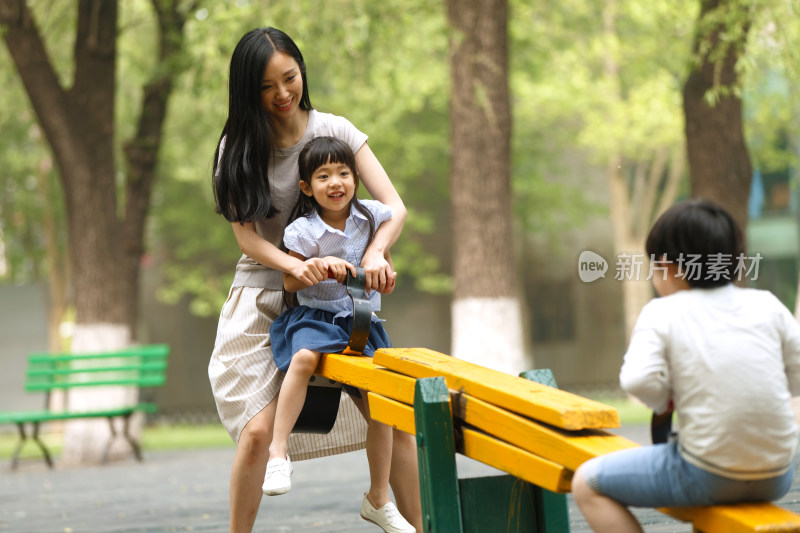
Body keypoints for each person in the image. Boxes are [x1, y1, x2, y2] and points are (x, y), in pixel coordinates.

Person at [208, 27, 421, 533]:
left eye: (290, 78)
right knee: (257, 434)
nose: (283, 94)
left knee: (391, 418)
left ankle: (415, 522)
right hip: (263, 293)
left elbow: (394, 208)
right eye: (266, 86)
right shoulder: (238, 148)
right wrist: (293, 266)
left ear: (302, 71)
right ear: (247, 91)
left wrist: (374, 252)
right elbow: (248, 239)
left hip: (334, 298)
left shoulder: (337, 131)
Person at [572, 199, 800, 533]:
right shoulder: (766, 304)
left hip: (705, 473)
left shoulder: (664, 311)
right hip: (777, 473)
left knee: (587, 482)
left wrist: (666, 398)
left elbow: (637, 380)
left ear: (668, 266)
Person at [261, 136, 413, 533]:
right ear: (307, 188)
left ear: (355, 179)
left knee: (383, 405)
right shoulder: (304, 231)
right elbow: (290, 285)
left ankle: (378, 498)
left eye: (343, 173)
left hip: (362, 323)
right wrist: (314, 265)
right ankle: (278, 454)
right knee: (305, 358)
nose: (336, 182)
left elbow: (384, 273)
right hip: (316, 318)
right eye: (324, 175)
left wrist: (384, 275)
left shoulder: (371, 219)